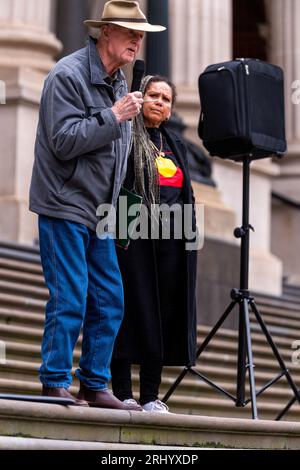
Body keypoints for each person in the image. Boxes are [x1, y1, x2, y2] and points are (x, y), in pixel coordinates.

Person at [29, 1, 165, 409]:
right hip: (64, 204)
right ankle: (55, 381)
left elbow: (117, 155)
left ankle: (94, 383)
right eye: (130, 32)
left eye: (141, 35)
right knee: (70, 296)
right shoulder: (67, 75)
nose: (138, 41)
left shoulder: (120, 84)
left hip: (102, 214)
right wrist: (113, 116)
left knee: (109, 300)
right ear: (106, 32)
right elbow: (64, 141)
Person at [110, 76, 198, 413]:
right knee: (127, 308)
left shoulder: (176, 143)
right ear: (140, 97)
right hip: (130, 230)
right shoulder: (126, 134)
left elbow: (187, 193)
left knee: (163, 316)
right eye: (153, 95)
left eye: (166, 98)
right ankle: (121, 392)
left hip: (171, 239)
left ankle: (150, 395)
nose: (160, 102)